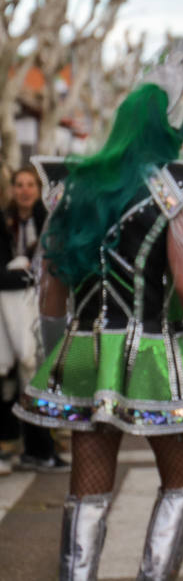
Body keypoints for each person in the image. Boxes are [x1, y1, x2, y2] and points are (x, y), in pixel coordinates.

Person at [13, 38, 183, 581]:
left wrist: (59, 360)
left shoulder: (74, 188)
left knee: (88, 490)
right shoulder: (175, 191)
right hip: (154, 354)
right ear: (167, 130)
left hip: (82, 353)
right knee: (181, 483)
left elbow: (50, 295)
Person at [0, 166, 68, 473]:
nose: (24, 190)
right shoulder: (4, 222)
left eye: (30, 184)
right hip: (6, 312)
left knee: (38, 373)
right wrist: (24, 275)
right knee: (8, 378)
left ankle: (42, 448)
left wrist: (24, 275)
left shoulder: (48, 221)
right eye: (19, 184)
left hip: (40, 310)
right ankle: (10, 445)